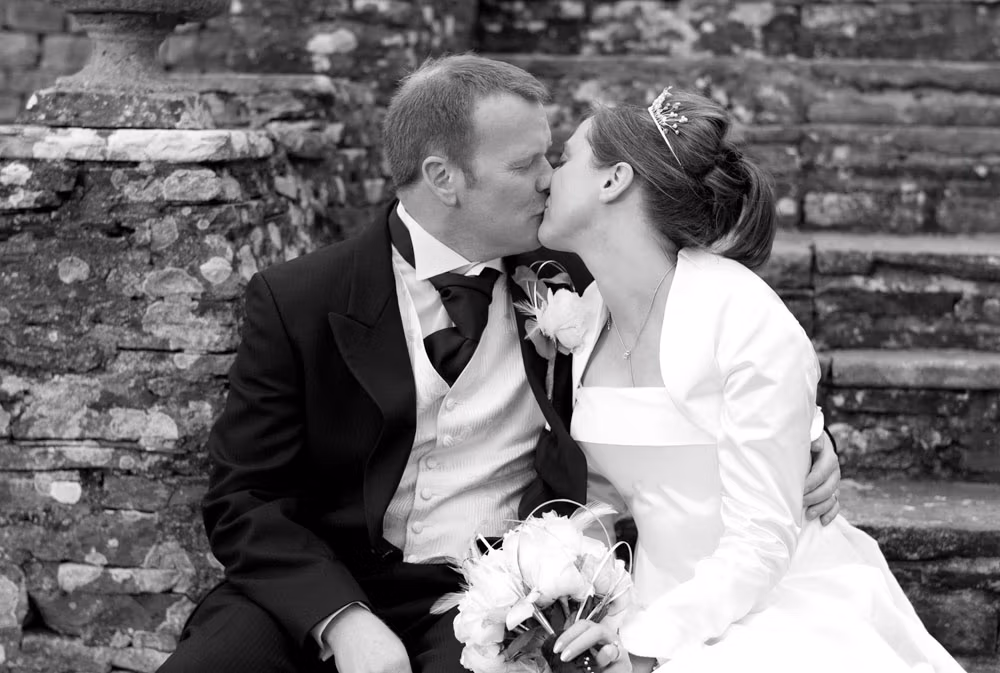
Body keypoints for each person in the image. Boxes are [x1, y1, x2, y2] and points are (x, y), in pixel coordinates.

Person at [156, 56, 842, 673]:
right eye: (525, 165)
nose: (549, 180)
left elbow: (702, 356)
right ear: (443, 178)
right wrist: (343, 621)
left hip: (491, 601)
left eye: (552, 157)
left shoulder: (578, 272)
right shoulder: (301, 298)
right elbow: (243, 498)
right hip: (311, 588)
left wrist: (809, 440)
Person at [543, 89, 967, 673]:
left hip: (772, 598)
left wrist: (646, 648)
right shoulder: (587, 313)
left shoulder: (742, 316)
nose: (545, 176)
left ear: (614, 181)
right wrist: (557, 580)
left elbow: (763, 539)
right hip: (647, 596)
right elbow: (612, 489)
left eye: (562, 158)